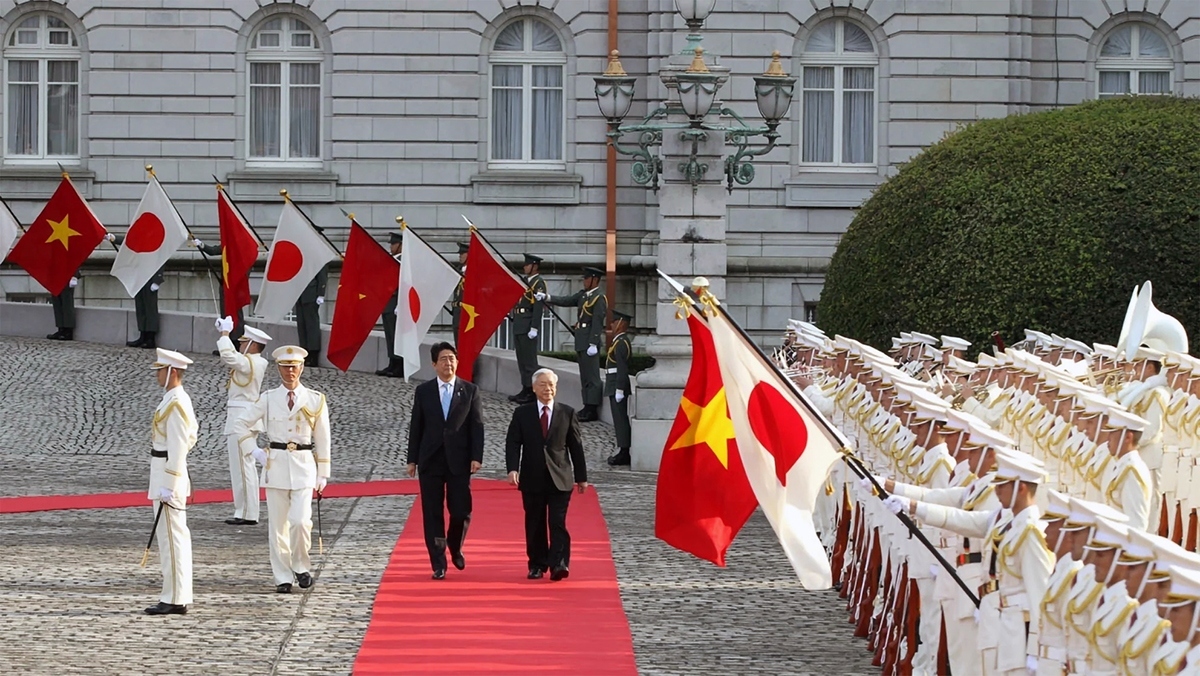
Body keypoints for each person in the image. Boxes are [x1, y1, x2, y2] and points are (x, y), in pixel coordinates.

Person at [234, 345, 331, 593]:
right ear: (278, 369)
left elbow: (323, 438)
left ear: (302, 367)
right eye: (285, 367)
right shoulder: (268, 399)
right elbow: (240, 424)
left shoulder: (315, 399)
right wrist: (252, 450)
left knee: (300, 522)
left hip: (303, 465)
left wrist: (323, 472)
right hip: (275, 464)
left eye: (294, 366)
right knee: (277, 527)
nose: (290, 371)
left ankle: (301, 565)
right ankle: (282, 576)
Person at [406, 341, 485, 579]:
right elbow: (416, 426)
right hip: (430, 459)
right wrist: (412, 459)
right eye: (443, 359)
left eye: (451, 358)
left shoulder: (469, 390)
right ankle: (438, 562)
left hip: (459, 459)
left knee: (461, 510)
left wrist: (476, 456)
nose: (448, 363)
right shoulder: (424, 392)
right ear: (433, 364)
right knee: (432, 512)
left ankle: (455, 544)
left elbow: (477, 426)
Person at [505, 368, 588, 581]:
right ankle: (537, 564)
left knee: (557, 522)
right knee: (535, 522)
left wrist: (581, 477)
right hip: (532, 477)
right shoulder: (522, 413)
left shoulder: (567, 413)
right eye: (542, 384)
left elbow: (575, 446)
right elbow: (513, 442)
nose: (547, 389)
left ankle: (559, 564)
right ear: (533, 388)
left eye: (551, 385)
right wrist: (512, 468)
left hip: (560, 477)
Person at [144, 347, 198, 615]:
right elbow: (190, 437)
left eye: (161, 370)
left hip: (168, 478)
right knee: (171, 539)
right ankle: (176, 594)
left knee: (173, 539)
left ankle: (175, 598)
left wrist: (171, 482)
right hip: (164, 473)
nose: (158, 374)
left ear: (172, 372)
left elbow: (179, 445)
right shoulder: (173, 399)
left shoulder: (177, 402)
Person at [216, 316, 271, 526]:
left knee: (243, 466)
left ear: (253, 345)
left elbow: (230, 358)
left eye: (243, 342)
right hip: (241, 415)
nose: (240, 345)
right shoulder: (250, 362)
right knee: (239, 467)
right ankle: (243, 510)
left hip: (243, 418)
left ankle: (248, 512)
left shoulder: (253, 362)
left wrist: (224, 335)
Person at [548, 266, 607, 422]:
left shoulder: (599, 298)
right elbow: (566, 300)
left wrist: (594, 342)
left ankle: (592, 408)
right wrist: (548, 297)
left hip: (589, 341)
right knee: (584, 375)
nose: (584, 281)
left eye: (586, 278)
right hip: (581, 339)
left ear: (595, 279)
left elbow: (597, 322)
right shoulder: (583, 296)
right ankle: (586, 405)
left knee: (592, 376)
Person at [108, 232, 163, 349]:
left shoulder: (157, 240)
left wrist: (157, 280)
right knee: (141, 307)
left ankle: (150, 338)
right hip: (139, 276)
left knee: (150, 308)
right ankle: (142, 335)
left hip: (150, 278)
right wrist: (114, 238)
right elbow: (128, 242)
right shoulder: (141, 239)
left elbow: (161, 260)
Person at [508, 253, 547, 404]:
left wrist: (534, 327)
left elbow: (538, 307)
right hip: (519, 323)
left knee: (530, 361)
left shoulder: (538, 283)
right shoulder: (525, 281)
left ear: (534, 266)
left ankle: (532, 391)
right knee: (522, 360)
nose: (524, 266)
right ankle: (525, 388)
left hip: (528, 324)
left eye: (527, 264)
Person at [194, 238, 244, 345]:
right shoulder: (228, 244)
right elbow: (213, 251)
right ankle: (226, 342)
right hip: (226, 284)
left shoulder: (243, 247)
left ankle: (237, 341)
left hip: (236, 285)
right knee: (225, 312)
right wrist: (201, 245)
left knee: (236, 313)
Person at [604, 310, 633, 466]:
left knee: (621, 420)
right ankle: (622, 448)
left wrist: (620, 389)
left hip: (617, 384)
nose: (612, 324)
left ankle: (624, 451)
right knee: (618, 419)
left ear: (621, 324)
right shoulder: (618, 341)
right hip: (613, 383)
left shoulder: (621, 342)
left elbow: (622, 368)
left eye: (614, 322)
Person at [376, 231, 404, 378]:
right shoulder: (391, 260)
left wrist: (400, 302)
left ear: (401, 245)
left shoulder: (403, 262)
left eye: (394, 244)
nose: (391, 247)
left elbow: (403, 284)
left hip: (396, 301)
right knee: (389, 334)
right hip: (387, 301)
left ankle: (399, 365)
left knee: (396, 334)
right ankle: (392, 362)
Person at [293, 265, 328, 368]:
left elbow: (322, 276)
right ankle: (304, 351)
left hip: (312, 293)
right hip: (300, 294)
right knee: (302, 325)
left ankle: (313, 354)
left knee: (311, 325)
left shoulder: (319, 255)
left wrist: (321, 293)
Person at [46, 274, 78, 341]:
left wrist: (74, 276)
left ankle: (68, 331)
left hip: (67, 277)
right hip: (56, 277)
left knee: (67, 303)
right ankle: (61, 329)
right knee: (57, 303)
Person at [449, 242, 469, 341]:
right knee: (457, 339)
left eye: (462, 254)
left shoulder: (473, 271)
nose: (459, 256)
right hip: (457, 311)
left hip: (467, 311)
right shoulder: (458, 270)